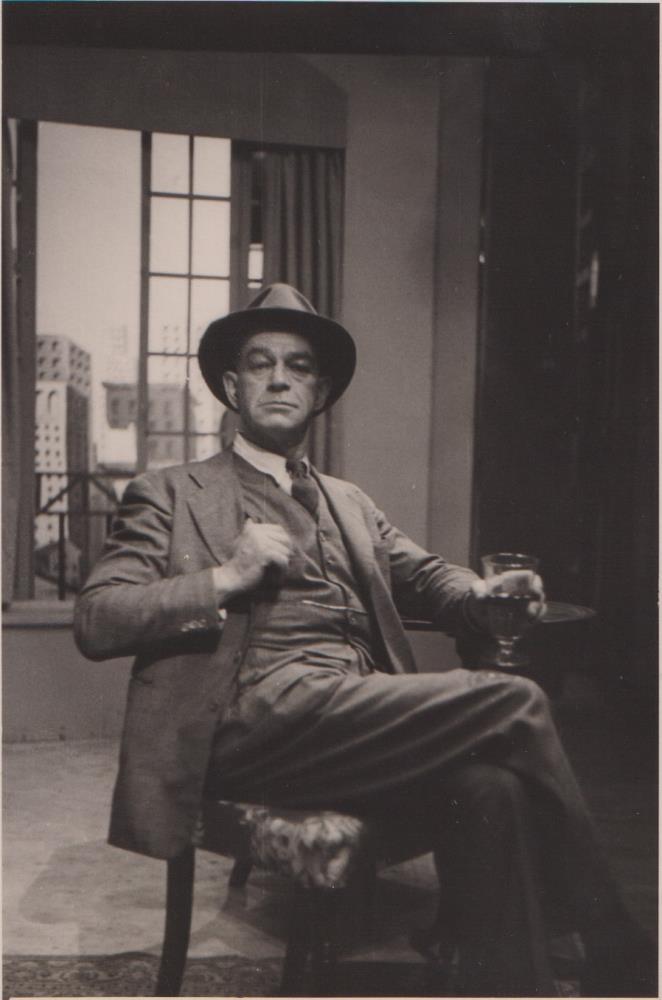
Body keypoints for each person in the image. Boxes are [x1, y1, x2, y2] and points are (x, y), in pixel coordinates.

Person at [75, 283, 655, 997]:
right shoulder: (171, 492)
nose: (280, 379)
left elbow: (428, 576)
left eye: (298, 367)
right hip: (248, 719)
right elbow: (98, 618)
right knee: (515, 699)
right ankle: (614, 948)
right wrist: (225, 577)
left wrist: (482, 593)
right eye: (260, 364)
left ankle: (504, 981)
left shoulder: (348, 501)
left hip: (349, 712)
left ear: (319, 393)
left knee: (493, 786)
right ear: (231, 386)